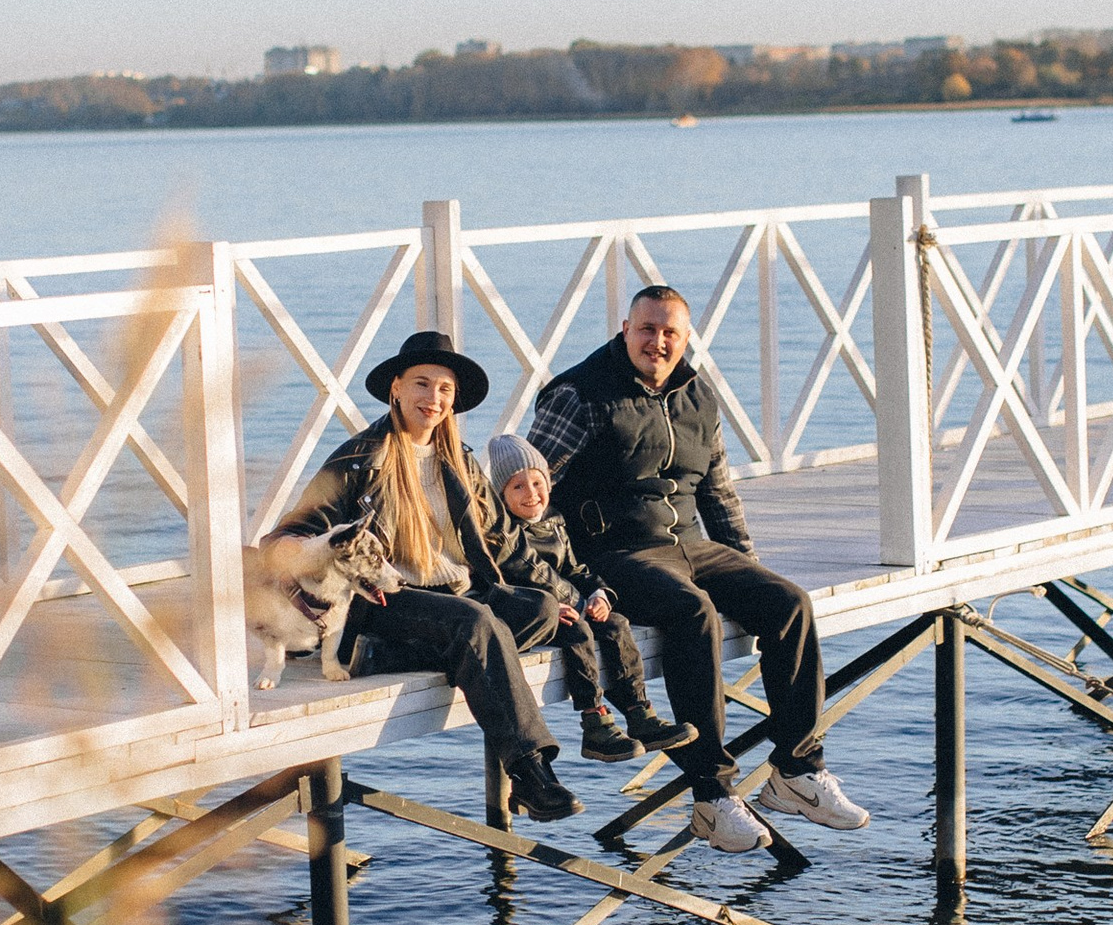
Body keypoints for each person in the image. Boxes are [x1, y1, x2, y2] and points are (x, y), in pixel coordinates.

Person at [526, 285, 870, 850]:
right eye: (646, 329)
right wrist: (562, 573)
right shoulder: (579, 393)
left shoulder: (697, 394)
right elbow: (530, 490)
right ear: (624, 328)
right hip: (617, 551)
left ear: (686, 339)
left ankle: (797, 771)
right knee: (693, 613)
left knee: (789, 604)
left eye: (670, 333)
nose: (657, 343)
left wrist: (747, 568)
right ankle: (712, 793)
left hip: (691, 544)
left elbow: (718, 491)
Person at [272, 332, 580, 824]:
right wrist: (288, 549)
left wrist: (574, 594)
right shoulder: (360, 458)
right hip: (389, 600)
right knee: (475, 623)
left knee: (536, 610)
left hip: (457, 596)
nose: (432, 400)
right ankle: (530, 771)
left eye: (444, 390)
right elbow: (299, 528)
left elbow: (505, 542)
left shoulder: (460, 461)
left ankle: (405, 657)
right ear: (395, 388)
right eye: (421, 384)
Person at [485, 432, 697, 766]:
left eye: (537, 483)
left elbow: (573, 568)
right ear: (501, 494)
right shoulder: (504, 532)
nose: (531, 494)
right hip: (533, 612)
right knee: (579, 632)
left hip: (572, 604)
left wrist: (599, 594)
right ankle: (594, 720)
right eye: (518, 487)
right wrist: (575, 606)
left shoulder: (554, 521)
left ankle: (637, 710)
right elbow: (529, 573)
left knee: (615, 624)